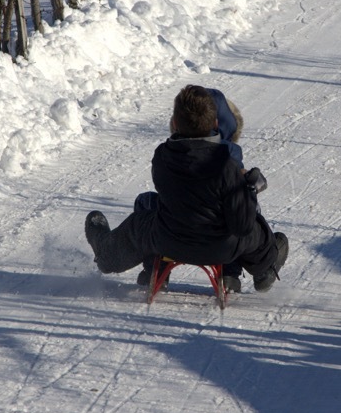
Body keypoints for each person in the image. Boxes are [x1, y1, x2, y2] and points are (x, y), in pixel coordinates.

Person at [85, 85, 288, 292]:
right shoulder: (227, 166)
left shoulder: (162, 156)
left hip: (169, 240)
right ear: (216, 124)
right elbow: (242, 226)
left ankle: (118, 258)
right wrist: (249, 190)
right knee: (253, 224)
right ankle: (258, 269)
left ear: (174, 124)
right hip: (220, 249)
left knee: (144, 211)